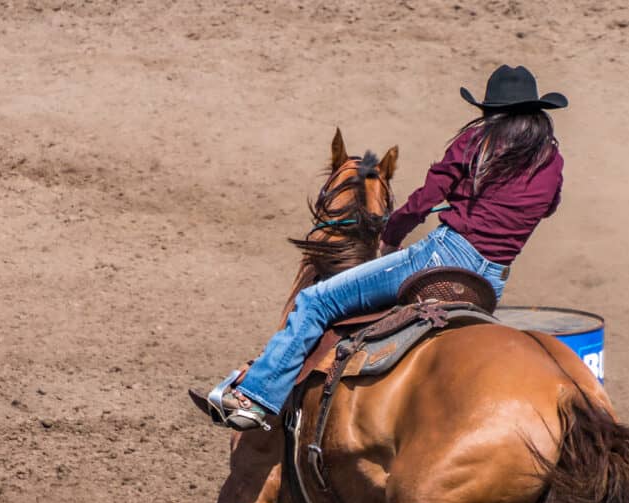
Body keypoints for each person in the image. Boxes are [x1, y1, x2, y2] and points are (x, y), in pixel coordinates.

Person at [199, 64, 567, 430]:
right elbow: (548, 207)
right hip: (492, 278)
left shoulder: (478, 143)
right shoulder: (551, 160)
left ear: (490, 111)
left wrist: (392, 234)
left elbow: (426, 198)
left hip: (445, 256)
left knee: (317, 301)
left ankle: (254, 398)